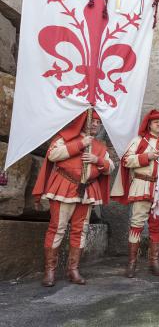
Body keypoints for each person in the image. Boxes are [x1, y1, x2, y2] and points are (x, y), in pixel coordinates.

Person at [31, 111, 113, 287]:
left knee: (80, 230)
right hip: (64, 187)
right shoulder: (66, 137)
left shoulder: (99, 146)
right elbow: (53, 154)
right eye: (92, 121)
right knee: (57, 228)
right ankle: (50, 270)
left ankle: (73, 269)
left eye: (98, 123)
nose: (95, 125)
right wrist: (80, 144)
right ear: (84, 120)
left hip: (86, 191)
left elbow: (110, 167)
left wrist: (96, 159)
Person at [111, 108, 159, 278]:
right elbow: (126, 160)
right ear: (149, 124)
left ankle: (154, 262)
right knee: (137, 224)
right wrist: (146, 156)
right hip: (141, 185)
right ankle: (132, 263)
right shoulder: (139, 141)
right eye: (156, 122)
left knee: (157, 224)